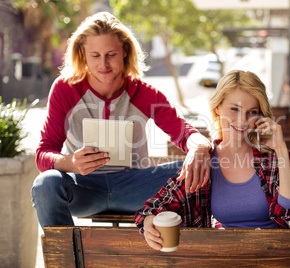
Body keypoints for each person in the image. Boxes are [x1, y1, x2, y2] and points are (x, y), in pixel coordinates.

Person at [31, 12, 211, 229]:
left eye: (111, 54)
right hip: (84, 189)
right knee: (45, 183)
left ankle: (187, 254)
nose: (103, 64)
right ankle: (64, 256)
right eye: (95, 55)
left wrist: (199, 146)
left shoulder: (144, 92)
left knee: (204, 168)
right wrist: (70, 163)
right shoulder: (65, 89)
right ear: (83, 54)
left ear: (125, 51)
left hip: (135, 188)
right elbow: (43, 154)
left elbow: (182, 131)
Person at [134, 70, 290, 251]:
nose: (243, 120)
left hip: (275, 254)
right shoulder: (206, 161)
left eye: (252, 112)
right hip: (225, 254)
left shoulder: (271, 158)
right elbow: (156, 206)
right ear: (218, 107)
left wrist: (281, 149)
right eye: (235, 109)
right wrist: (148, 221)